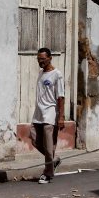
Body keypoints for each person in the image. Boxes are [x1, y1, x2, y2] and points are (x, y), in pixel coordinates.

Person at [31, 47, 65, 184]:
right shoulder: (41, 72)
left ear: (50, 58)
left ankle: (48, 173)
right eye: (38, 59)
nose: (40, 61)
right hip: (38, 112)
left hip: (50, 113)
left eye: (43, 59)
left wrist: (61, 117)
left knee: (49, 144)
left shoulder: (57, 75)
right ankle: (54, 160)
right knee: (34, 139)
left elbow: (61, 97)